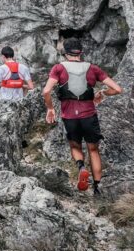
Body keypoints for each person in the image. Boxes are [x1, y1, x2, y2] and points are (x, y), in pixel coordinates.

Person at [43, 38, 124, 196]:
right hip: (89, 115)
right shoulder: (93, 68)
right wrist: (102, 93)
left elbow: (46, 91)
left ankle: (81, 168)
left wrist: (51, 109)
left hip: (69, 116)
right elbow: (117, 89)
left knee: (75, 147)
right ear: (80, 52)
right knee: (93, 150)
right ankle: (97, 189)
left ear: (65, 53)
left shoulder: (58, 68)